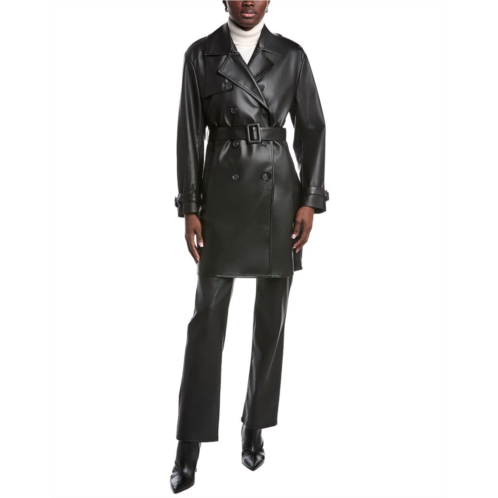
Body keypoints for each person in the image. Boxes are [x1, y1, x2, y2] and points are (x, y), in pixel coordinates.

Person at [171, 0, 328, 493]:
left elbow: (312, 128)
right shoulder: (200, 54)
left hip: (278, 195)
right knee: (206, 322)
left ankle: (254, 425)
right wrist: (190, 206)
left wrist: (310, 199)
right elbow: (189, 133)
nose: (247, 1)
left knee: (271, 322)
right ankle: (188, 444)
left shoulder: (292, 55)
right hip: (221, 194)